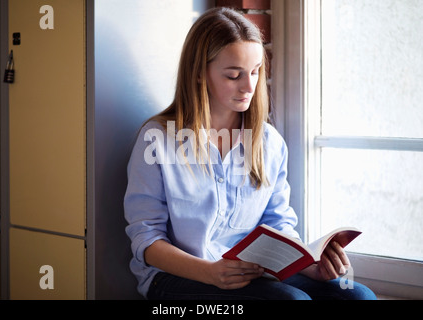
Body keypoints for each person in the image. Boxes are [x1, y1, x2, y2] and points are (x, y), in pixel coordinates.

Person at [124, 7, 376, 300]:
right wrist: (209, 272)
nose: (249, 86)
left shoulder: (269, 142)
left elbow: (278, 223)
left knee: (358, 296)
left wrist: (309, 265)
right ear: (198, 74)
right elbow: (146, 238)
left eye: (255, 72)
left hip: (255, 273)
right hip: (175, 279)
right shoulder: (158, 140)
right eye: (234, 75)